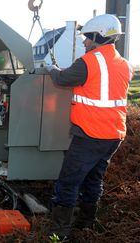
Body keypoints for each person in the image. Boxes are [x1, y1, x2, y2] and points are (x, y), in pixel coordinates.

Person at [46, 14, 134, 239]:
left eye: (87, 37)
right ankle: (86, 224)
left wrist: (51, 68)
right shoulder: (126, 65)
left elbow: (63, 79)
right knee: (94, 179)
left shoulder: (88, 62)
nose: (84, 42)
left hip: (90, 134)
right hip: (113, 134)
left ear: (100, 36)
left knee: (68, 182)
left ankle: (58, 233)